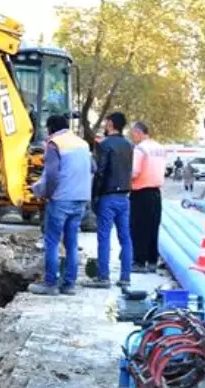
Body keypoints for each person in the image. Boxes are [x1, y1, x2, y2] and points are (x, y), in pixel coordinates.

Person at [29, 114, 92, 296]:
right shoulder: (82, 144)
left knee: (52, 242)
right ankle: (69, 285)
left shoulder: (54, 144)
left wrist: (44, 193)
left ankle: (50, 284)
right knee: (72, 243)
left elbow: (52, 175)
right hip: (80, 199)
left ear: (50, 128)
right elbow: (93, 168)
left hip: (61, 199)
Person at [84, 112, 134, 288]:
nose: (105, 125)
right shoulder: (129, 145)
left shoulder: (104, 145)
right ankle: (125, 277)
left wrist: (94, 195)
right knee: (125, 237)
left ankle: (103, 277)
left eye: (106, 123)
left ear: (111, 124)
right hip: (124, 197)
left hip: (108, 196)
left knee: (104, 237)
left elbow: (100, 172)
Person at [129, 121, 167, 273]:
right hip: (156, 192)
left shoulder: (140, 149)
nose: (133, 138)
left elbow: (134, 171)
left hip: (140, 192)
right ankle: (152, 260)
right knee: (153, 227)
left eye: (133, 134)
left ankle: (139, 262)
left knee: (138, 228)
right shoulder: (159, 148)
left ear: (138, 132)